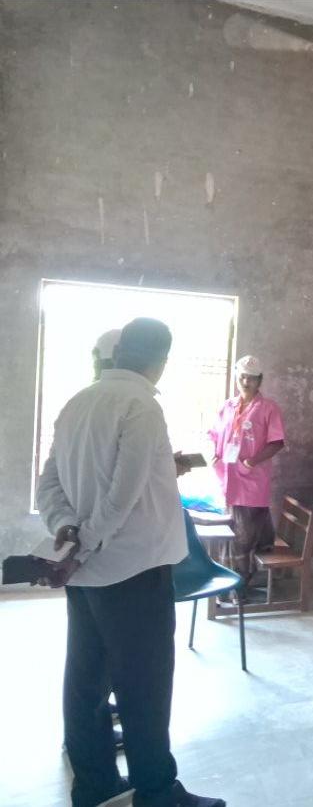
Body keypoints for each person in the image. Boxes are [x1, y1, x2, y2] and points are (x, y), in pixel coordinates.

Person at [36, 318, 225, 807]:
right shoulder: (141, 405)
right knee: (145, 687)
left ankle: (95, 785)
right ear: (161, 360)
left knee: (86, 680)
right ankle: (158, 793)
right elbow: (123, 496)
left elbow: (48, 483)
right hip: (134, 572)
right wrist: (85, 544)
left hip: (86, 574)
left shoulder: (78, 402)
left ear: (117, 353)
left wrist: (68, 532)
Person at [207, 355, 286, 591]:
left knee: (244, 538)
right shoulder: (227, 406)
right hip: (226, 480)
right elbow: (212, 434)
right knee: (228, 535)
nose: (245, 382)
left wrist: (252, 461)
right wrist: (212, 453)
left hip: (251, 483)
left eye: (251, 378)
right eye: (242, 377)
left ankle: (239, 587)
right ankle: (226, 584)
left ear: (259, 380)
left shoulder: (268, 408)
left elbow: (277, 442)